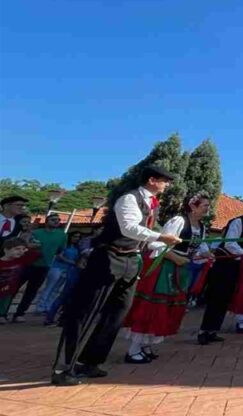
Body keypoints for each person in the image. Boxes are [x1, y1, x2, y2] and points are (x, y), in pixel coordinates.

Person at [52, 165, 180, 386]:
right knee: (86, 310)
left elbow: (144, 236)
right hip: (108, 257)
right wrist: (160, 236)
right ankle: (64, 367)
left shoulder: (152, 204)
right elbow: (129, 228)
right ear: (152, 180)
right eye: (165, 181)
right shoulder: (129, 199)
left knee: (117, 313)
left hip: (131, 259)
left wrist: (164, 242)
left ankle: (91, 361)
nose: (167, 185)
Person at [123, 192, 212, 363]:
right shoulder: (179, 221)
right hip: (165, 268)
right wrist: (176, 258)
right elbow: (157, 243)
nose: (207, 209)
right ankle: (134, 349)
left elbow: (199, 247)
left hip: (181, 269)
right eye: (205, 206)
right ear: (193, 206)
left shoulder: (201, 227)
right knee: (153, 306)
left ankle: (146, 346)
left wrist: (207, 254)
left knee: (167, 307)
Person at [198, 199, 243, 345]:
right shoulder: (239, 222)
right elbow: (230, 243)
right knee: (217, 297)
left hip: (235, 265)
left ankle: (213, 330)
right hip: (224, 264)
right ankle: (204, 331)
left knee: (225, 298)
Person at [12, 213, 67, 322]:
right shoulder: (36, 233)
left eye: (58, 220)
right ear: (47, 222)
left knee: (31, 291)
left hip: (44, 266)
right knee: (14, 288)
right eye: (53, 219)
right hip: (28, 264)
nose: (56, 221)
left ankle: (19, 313)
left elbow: (60, 250)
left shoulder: (62, 235)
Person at [37, 231, 82, 319]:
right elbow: (59, 256)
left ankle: (48, 306)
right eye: (75, 236)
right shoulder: (64, 245)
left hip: (68, 269)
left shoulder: (77, 248)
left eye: (78, 237)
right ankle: (40, 306)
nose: (76, 238)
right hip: (57, 267)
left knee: (56, 288)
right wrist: (70, 261)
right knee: (50, 287)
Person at [0, 237, 33, 322]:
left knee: (4, 304)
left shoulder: (21, 260)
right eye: (17, 249)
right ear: (6, 250)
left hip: (9, 290)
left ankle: (1, 315)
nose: (21, 251)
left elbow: (36, 254)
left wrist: (28, 247)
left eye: (23, 249)